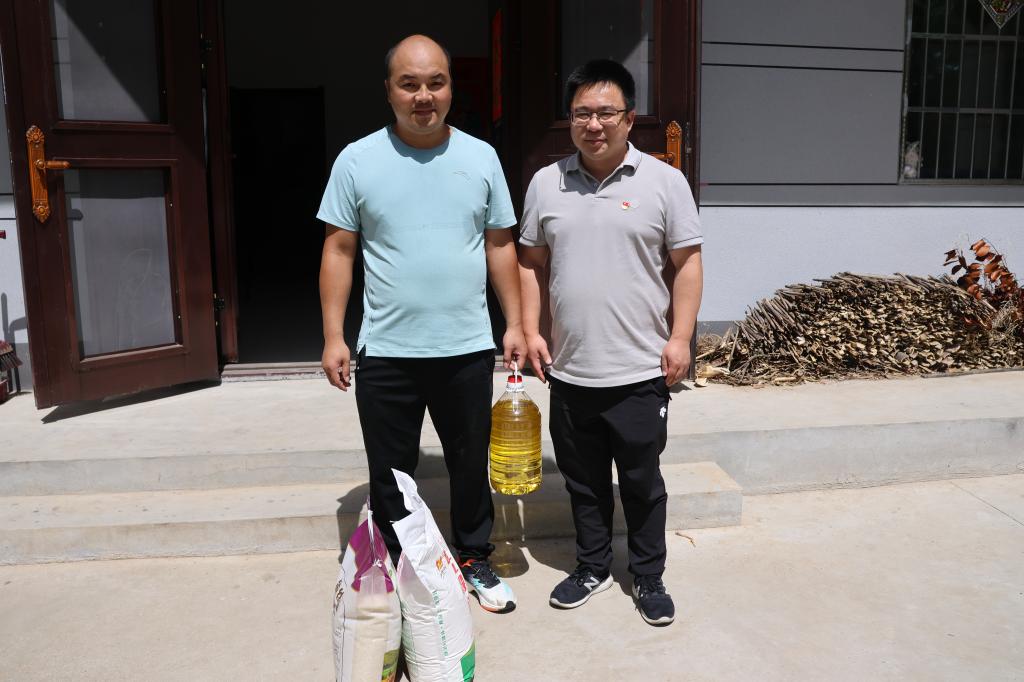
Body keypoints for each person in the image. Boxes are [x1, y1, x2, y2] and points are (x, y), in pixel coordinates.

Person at [317, 34, 523, 614]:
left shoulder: (481, 157)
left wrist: (514, 322)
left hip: (465, 345)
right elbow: (338, 249)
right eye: (409, 84)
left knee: (469, 463)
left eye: (436, 82)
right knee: (390, 471)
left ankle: (473, 557)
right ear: (389, 91)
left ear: (451, 88)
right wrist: (334, 335)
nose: (424, 96)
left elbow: (500, 244)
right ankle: (397, 565)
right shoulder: (357, 160)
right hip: (387, 348)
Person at [518, 59, 703, 626]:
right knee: (584, 482)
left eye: (605, 112)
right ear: (570, 119)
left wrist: (681, 337)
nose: (593, 124)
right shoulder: (546, 183)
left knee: (642, 482)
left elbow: (688, 263)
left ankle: (647, 575)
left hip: (640, 368)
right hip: (571, 368)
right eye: (581, 114)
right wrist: (531, 329)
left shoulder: (664, 182)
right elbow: (530, 262)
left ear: (629, 118)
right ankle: (592, 566)